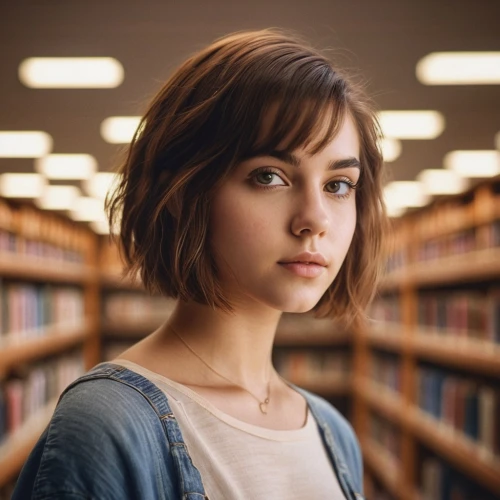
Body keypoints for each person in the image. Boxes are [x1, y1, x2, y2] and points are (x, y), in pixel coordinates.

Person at [13, 28, 386, 500]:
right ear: (183, 193)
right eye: (268, 176)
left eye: (338, 185)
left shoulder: (334, 433)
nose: (314, 220)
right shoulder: (107, 426)